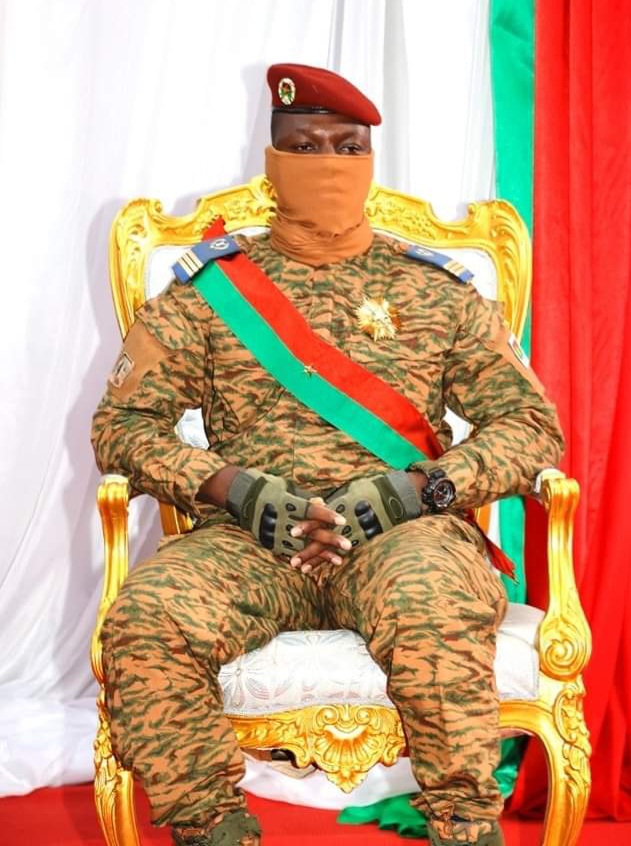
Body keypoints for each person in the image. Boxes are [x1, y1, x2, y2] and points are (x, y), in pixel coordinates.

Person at [92, 63, 564, 846]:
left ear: (371, 160)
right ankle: (212, 828)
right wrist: (230, 486)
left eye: (348, 148)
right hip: (252, 541)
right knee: (146, 617)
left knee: (433, 604)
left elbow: (529, 427)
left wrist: (421, 490)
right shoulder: (211, 292)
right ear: (272, 160)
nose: (328, 164)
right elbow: (123, 425)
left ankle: (464, 828)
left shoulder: (436, 290)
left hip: (403, 533)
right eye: (305, 146)